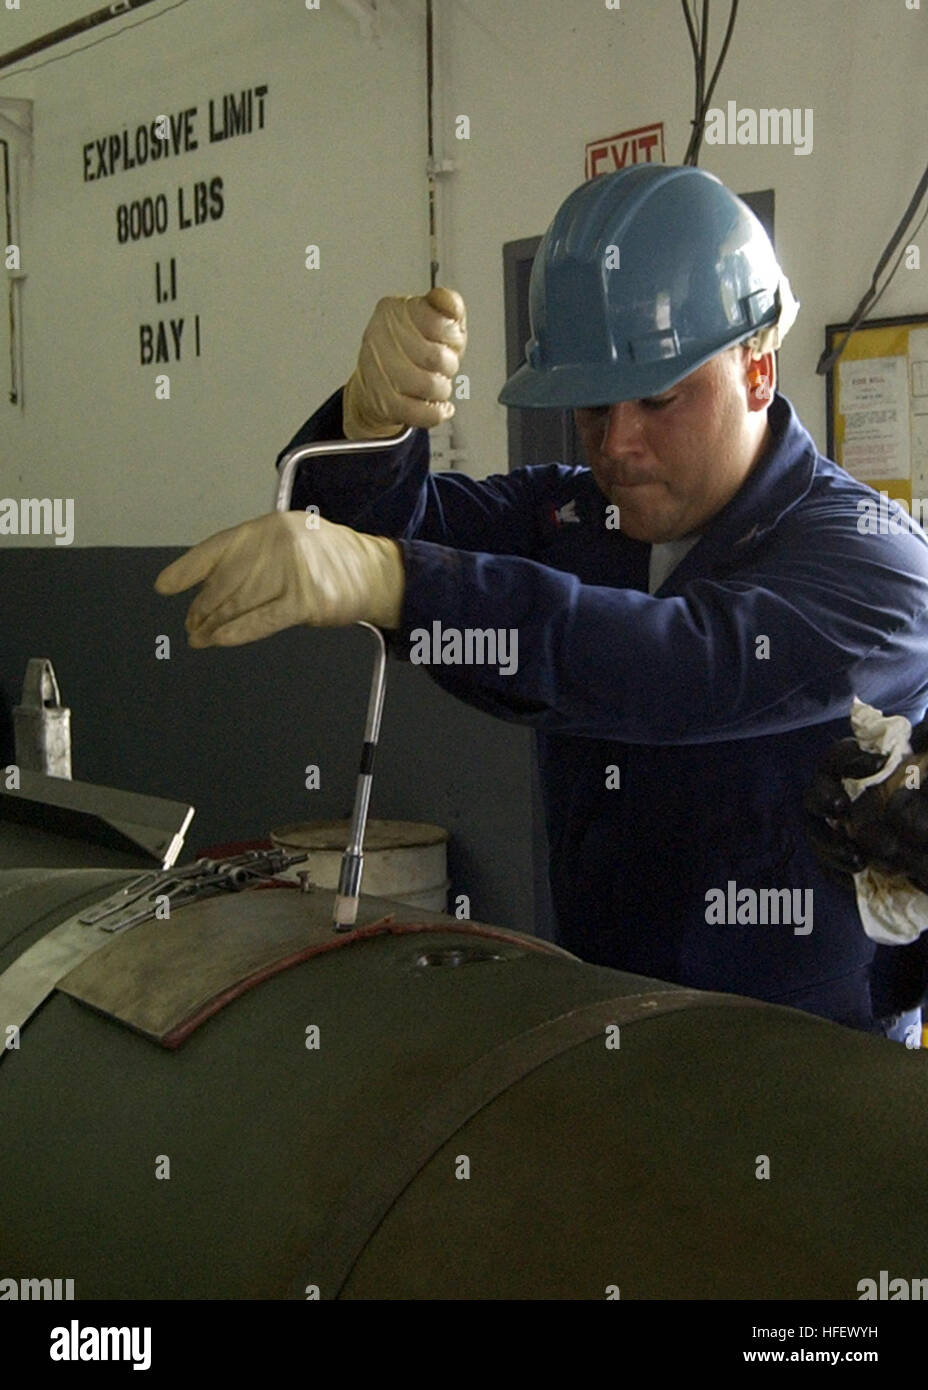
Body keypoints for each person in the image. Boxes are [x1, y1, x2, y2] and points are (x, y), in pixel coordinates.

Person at [156, 164, 928, 1038]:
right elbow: (372, 526)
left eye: (659, 397)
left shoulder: (873, 559)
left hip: (814, 1054)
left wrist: (394, 583)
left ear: (758, 369)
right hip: (605, 1020)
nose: (618, 443)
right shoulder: (572, 515)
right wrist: (371, 428)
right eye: (592, 408)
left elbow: (679, 664)